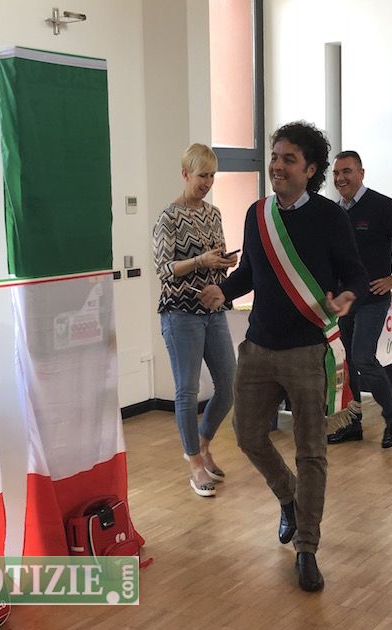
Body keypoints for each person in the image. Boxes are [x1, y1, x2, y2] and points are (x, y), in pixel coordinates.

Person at [199, 122, 367, 592]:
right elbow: (251, 273)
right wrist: (224, 290)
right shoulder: (258, 215)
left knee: (311, 451)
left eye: (288, 159)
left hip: (307, 352)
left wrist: (348, 295)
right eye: (274, 156)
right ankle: (288, 496)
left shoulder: (330, 218)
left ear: (310, 170)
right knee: (248, 435)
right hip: (257, 349)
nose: (276, 165)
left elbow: (354, 273)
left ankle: (307, 548)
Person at [152, 143, 238, 498]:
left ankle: (202, 442)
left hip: (212, 311)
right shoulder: (168, 218)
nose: (208, 182)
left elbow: (216, 257)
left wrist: (224, 262)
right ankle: (194, 462)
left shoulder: (214, 214)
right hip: (180, 313)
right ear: (185, 174)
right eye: (203, 175)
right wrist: (201, 261)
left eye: (212, 176)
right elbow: (164, 269)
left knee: (228, 385)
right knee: (187, 391)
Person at [327, 150, 392, 448]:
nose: (340, 178)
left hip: (373, 299)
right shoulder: (335, 212)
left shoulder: (381, 206)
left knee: (362, 358)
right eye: (336, 173)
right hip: (344, 301)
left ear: (361, 173)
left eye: (346, 171)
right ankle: (352, 422)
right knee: (346, 362)